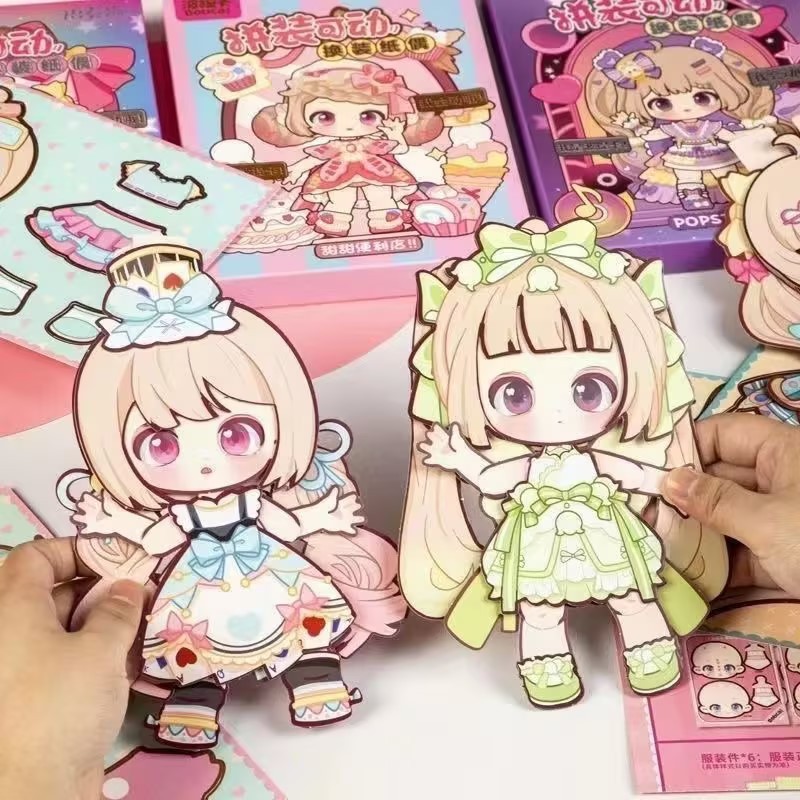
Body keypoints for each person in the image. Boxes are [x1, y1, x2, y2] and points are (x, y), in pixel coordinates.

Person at [1, 413, 799, 799]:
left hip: (596, 530)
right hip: (208, 582)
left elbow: (638, 466)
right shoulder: (183, 517)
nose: (206, 460)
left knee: (628, 589)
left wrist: (670, 467)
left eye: (234, 434)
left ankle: (645, 649)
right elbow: (492, 477)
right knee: (201, 640)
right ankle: (199, 700)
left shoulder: (601, 455)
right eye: (164, 446)